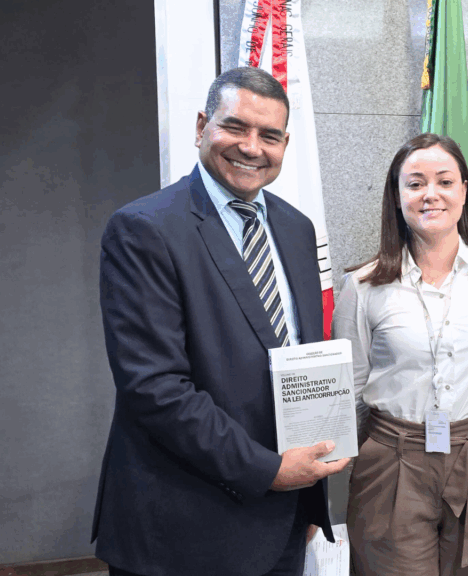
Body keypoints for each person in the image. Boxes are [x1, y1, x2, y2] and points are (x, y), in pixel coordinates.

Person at [92, 67, 349, 576]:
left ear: (285, 144)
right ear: (201, 127)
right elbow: (155, 388)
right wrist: (269, 471)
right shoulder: (144, 229)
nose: (251, 147)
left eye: (269, 135)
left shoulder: (296, 228)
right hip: (184, 530)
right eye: (235, 127)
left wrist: (307, 492)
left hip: (282, 521)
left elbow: (299, 360)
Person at [333, 133, 468, 576]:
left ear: (464, 191)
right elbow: (350, 392)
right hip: (392, 463)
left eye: (445, 181)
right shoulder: (363, 286)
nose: (431, 194)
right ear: (397, 195)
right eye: (415, 183)